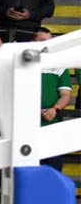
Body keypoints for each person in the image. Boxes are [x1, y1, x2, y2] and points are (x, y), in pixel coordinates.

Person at [31, 28, 73, 172]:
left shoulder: (59, 65)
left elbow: (66, 94)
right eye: (42, 41)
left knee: (53, 169)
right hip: (26, 127)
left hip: (52, 125)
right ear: (32, 42)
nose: (47, 45)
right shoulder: (22, 64)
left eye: (50, 42)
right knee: (29, 169)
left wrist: (55, 109)